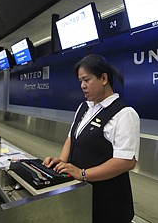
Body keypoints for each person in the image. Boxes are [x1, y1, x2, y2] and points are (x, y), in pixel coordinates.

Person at [43, 54, 140, 223]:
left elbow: (126, 161)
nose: (82, 86)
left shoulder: (124, 114)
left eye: (86, 80)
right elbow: (71, 138)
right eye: (80, 81)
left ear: (103, 78)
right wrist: (61, 163)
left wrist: (82, 174)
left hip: (109, 202)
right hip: (81, 195)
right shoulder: (84, 108)